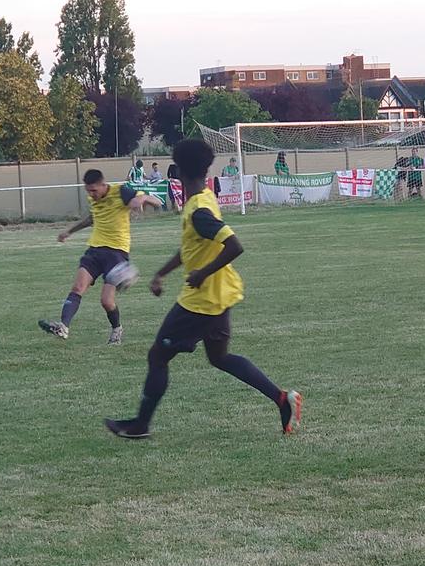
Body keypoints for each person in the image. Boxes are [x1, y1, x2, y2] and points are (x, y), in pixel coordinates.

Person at [104, 139, 302, 439]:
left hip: (202, 302)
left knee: (158, 356)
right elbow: (192, 247)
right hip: (220, 295)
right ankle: (281, 398)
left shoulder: (198, 210)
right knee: (219, 358)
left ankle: (140, 425)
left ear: (178, 171)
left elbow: (234, 245)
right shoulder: (204, 198)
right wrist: (162, 274)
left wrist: (201, 273)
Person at [38, 169, 162, 344]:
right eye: (88, 191)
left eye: (94, 190)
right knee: (78, 287)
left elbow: (157, 202)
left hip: (117, 252)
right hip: (95, 250)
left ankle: (117, 328)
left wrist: (142, 198)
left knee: (106, 301)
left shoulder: (121, 191)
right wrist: (69, 231)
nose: (91, 194)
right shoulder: (93, 198)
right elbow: (92, 218)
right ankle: (63, 327)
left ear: (103, 185)